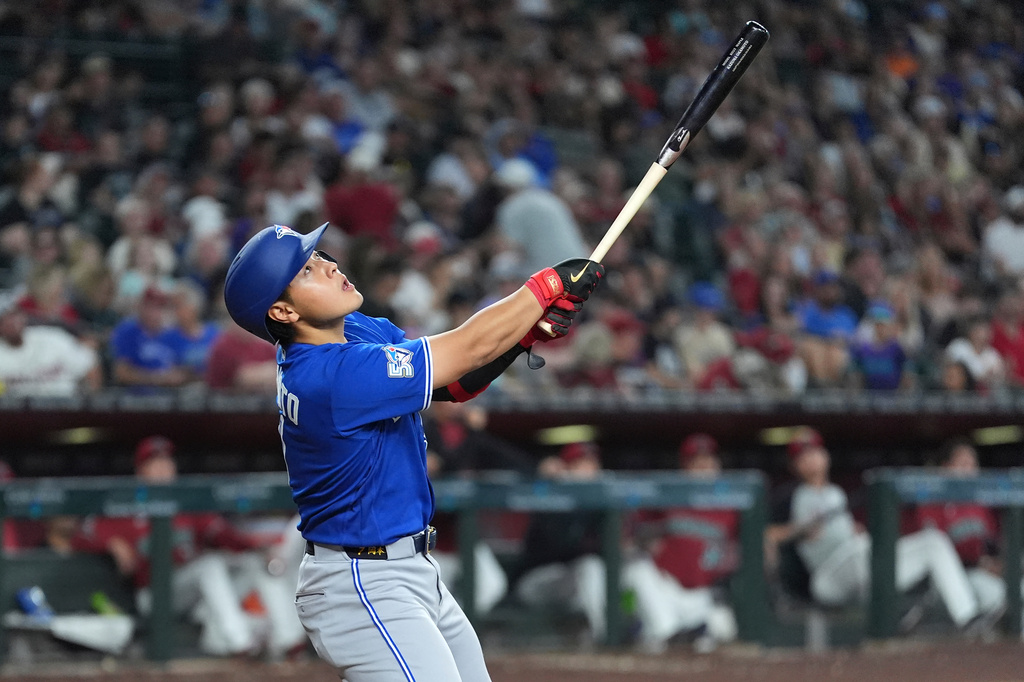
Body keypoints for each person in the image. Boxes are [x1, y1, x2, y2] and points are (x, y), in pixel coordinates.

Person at [222, 221, 603, 682]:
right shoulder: (328, 376)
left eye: (319, 257)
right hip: (363, 583)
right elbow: (466, 346)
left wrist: (522, 336)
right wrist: (544, 288)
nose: (328, 266)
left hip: (406, 569)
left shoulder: (351, 331)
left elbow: (455, 381)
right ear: (283, 312)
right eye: (306, 271)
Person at [73, 436, 307, 659]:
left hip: (194, 594)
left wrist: (258, 549)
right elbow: (79, 534)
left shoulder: (187, 503)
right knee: (209, 565)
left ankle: (288, 640)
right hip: (154, 595)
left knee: (253, 561)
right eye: (155, 463)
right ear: (141, 471)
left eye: (167, 461)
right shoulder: (126, 505)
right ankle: (240, 642)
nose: (163, 468)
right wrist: (111, 543)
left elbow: (222, 535)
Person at [767, 428, 987, 630]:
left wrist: (849, 530)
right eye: (803, 456)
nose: (812, 458)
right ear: (794, 466)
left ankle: (966, 616)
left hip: (858, 565)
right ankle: (895, 611)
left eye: (816, 452)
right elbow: (768, 533)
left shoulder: (836, 493)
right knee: (862, 548)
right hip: (826, 578)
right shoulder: (791, 495)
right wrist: (801, 529)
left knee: (933, 541)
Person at [623, 434, 739, 653]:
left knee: (723, 634)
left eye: (710, 460)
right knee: (634, 569)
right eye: (697, 462)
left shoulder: (734, 502)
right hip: (666, 588)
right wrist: (645, 539)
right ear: (685, 467)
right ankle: (660, 630)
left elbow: (749, 547)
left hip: (704, 595)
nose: (705, 467)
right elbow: (630, 527)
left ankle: (664, 634)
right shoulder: (667, 495)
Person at [508, 442, 608, 644]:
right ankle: (603, 639)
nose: (587, 472)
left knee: (592, 572)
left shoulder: (600, 503)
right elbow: (560, 543)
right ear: (565, 469)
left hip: (572, 583)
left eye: (591, 465)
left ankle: (588, 634)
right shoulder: (549, 495)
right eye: (580, 465)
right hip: (536, 580)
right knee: (589, 569)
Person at [913, 439, 1009, 621]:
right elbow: (937, 554)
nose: (969, 470)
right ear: (945, 467)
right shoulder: (931, 501)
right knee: (995, 595)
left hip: (979, 572)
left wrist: (996, 563)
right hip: (946, 581)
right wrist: (981, 563)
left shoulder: (980, 503)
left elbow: (992, 544)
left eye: (973, 464)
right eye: (963, 463)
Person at [0, 286, 100, 397]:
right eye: (4, 319)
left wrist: (90, 404)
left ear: (23, 315)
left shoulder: (52, 337)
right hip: (20, 413)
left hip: (66, 408)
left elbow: (89, 365)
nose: (12, 322)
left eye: (14, 315)